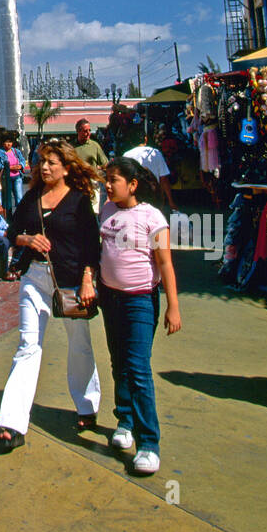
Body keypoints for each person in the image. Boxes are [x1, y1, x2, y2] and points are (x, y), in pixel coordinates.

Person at [0, 139, 103, 449]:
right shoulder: (32, 197)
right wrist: (28, 240)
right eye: (42, 162)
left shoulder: (79, 201)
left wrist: (88, 280)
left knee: (79, 344)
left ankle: (87, 405)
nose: (44, 167)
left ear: (66, 168)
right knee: (28, 345)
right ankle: (13, 423)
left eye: (51, 163)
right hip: (34, 278)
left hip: (70, 280)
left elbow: (91, 245)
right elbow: (11, 231)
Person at [97, 158, 181, 475]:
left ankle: (149, 444)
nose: (107, 185)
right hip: (110, 298)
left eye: (114, 180)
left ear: (132, 185)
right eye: (106, 179)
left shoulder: (152, 217)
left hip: (140, 302)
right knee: (118, 362)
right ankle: (125, 421)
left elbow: (165, 264)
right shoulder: (106, 211)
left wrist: (173, 306)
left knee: (138, 368)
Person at [123, 142, 178, 212]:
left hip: (135, 196)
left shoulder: (126, 155)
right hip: (154, 196)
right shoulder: (155, 153)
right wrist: (170, 201)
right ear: (145, 139)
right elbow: (164, 179)